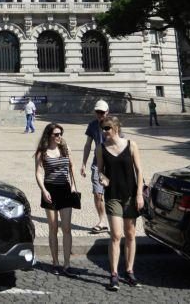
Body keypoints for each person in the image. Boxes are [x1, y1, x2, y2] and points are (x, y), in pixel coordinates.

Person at [96, 116, 145, 290]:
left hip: (131, 195)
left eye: (107, 128)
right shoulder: (101, 148)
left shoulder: (131, 144)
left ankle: (130, 270)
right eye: (103, 128)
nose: (104, 131)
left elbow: (139, 171)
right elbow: (99, 171)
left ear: (116, 128)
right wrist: (102, 179)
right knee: (116, 235)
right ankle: (114, 273)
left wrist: (139, 194)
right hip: (113, 196)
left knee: (130, 234)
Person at [35, 123, 78, 275]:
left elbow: (72, 168)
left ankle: (67, 263)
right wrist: (43, 190)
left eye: (60, 133)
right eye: (56, 134)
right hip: (50, 190)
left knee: (66, 228)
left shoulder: (65, 149)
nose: (59, 136)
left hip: (65, 190)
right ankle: (55, 262)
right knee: (53, 227)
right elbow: (39, 173)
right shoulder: (42, 152)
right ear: (49, 135)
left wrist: (73, 185)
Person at [80, 99, 110, 234]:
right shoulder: (92, 125)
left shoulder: (113, 124)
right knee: (97, 193)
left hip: (112, 165)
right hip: (97, 164)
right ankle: (102, 221)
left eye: (102, 112)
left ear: (107, 112)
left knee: (113, 195)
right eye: (97, 112)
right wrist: (83, 163)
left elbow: (121, 143)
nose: (99, 115)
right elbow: (87, 145)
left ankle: (116, 221)